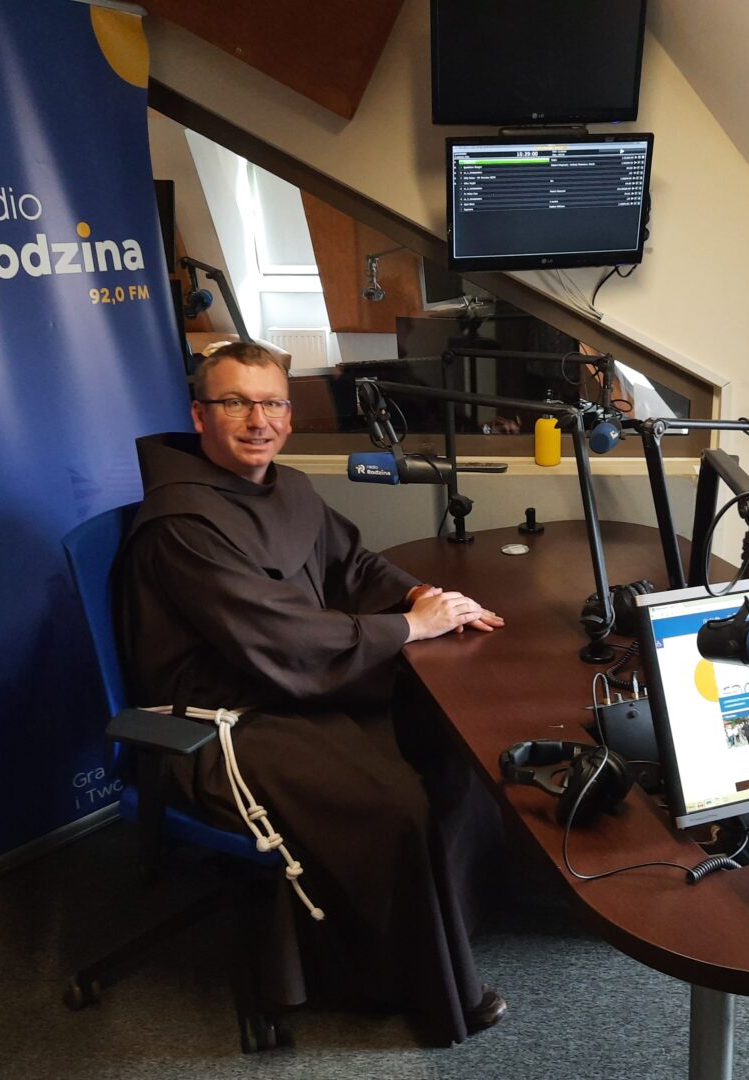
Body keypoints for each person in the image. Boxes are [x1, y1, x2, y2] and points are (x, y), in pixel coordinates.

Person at [117, 340, 507, 1046]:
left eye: (271, 403)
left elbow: (353, 565)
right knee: (394, 806)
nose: (257, 420)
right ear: (199, 416)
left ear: (290, 416)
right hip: (226, 718)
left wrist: (423, 595)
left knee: (451, 741)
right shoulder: (182, 524)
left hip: (297, 684)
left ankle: (443, 942)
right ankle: (403, 983)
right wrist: (409, 628)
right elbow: (277, 637)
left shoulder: (288, 487)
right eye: (235, 403)